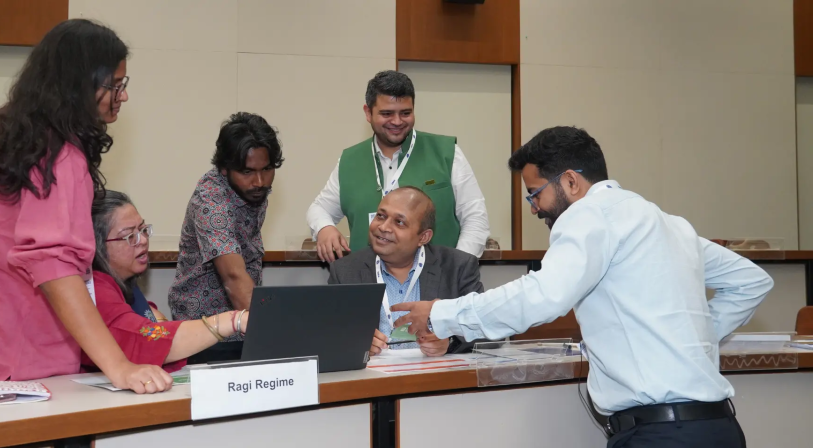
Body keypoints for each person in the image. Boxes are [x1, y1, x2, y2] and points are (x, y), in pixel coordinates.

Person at [393, 126, 773, 447]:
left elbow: (542, 295)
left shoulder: (589, 214)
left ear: (571, 181)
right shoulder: (666, 222)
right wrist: (694, 338)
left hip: (660, 434)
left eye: (535, 193)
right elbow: (751, 281)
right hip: (718, 428)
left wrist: (444, 313)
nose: (534, 208)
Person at [0, 19, 173, 394]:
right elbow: (55, 269)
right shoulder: (61, 155)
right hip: (4, 348)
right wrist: (120, 367)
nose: (123, 96)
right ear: (82, 86)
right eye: (116, 85)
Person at [307, 70, 490, 262]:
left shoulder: (446, 153)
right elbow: (319, 208)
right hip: (368, 283)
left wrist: (458, 268)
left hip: (439, 282)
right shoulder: (350, 160)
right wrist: (324, 228)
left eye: (405, 113)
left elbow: (476, 219)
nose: (397, 121)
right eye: (387, 113)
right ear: (368, 113)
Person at [81, 191, 248, 372]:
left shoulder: (125, 284)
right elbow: (147, 339)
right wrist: (234, 320)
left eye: (143, 230)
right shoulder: (94, 289)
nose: (143, 240)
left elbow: (154, 328)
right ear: (95, 244)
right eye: (130, 236)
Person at [327, 187, 484, 357]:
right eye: (381, 216)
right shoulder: (346, 271)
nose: (384, 227)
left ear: (423, 237)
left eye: (399, 222)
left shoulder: (457, 267)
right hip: (373, 378)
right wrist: (354, 341)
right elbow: (326, 333)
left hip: (435, 377)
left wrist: (450, 342)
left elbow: (487, 330)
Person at [168, 112, 283, 345]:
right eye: (248, 172)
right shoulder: (211, 201)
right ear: (224, 168)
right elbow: (233, 276)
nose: (260, 181)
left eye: (267, 169)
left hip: (244, 316)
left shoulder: (253, 189)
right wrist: (277, 336)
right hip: (204, 325)